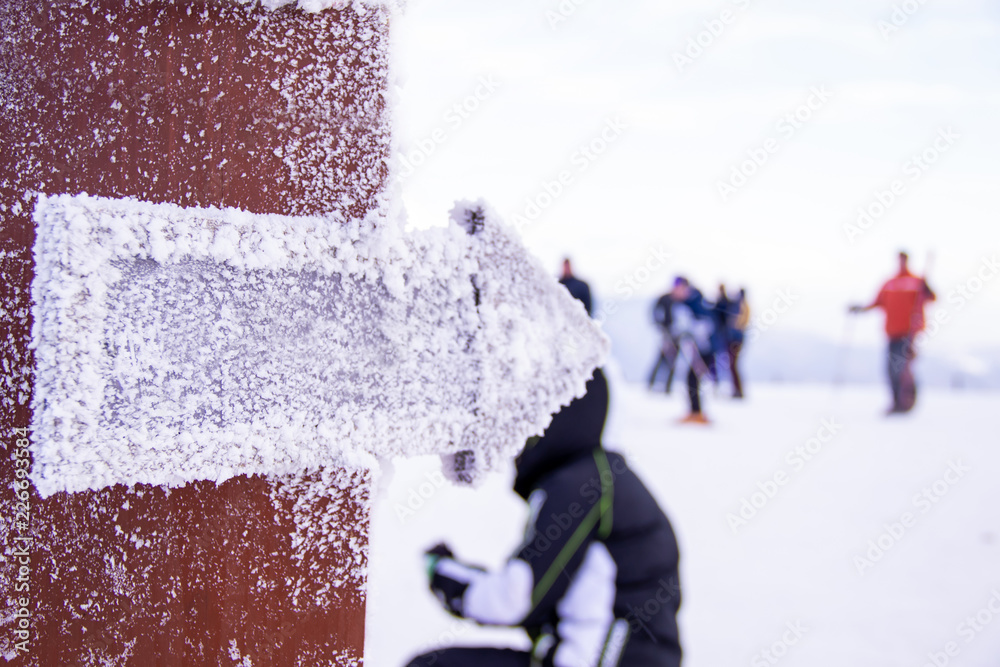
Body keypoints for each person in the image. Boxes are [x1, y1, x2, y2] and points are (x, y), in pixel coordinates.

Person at [405, 368, 683, 667]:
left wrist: (444, 574)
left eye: (525, 418)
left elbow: (516, 598)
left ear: (553, 417)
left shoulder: (577, 486)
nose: (515, 439)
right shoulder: (601, 477)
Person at [850, 251, 936, 414]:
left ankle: (907, 402)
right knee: (891, 368)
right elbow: (876, 303)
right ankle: (897, 402)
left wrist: (927, 287)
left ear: (907, 260)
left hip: (909, 332)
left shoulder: (916, 282)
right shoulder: (889, 283)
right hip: (892, 332)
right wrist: (859, 309)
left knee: (903, 367)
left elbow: (932, 298)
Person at [669, 277, 715, 424]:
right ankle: (695, 412)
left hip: (706, 348)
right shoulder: (690, 302)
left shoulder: (696, 303)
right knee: (692, 378)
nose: (675, 292)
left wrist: (690, 333)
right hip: (699, 348)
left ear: (684, 288)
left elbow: (707, 326)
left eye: (678, 288)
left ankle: (697, 413)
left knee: (693, 378)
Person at [648, 289, 679, 392]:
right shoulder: (664, 299)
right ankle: (651, 383)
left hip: (677, 335)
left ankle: (668, 387)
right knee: (661, 359)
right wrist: (660, 327)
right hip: (666, 334)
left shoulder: (680, 300)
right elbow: (656, 312)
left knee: (673, 361)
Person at [727, 288, 749, 399]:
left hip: (736, 340)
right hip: (738, 340)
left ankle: (738, 391)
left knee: (733, 365)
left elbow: (738, 325)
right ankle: (737, 390)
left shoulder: (741, 307)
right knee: (733, 365)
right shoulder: (744, 306)